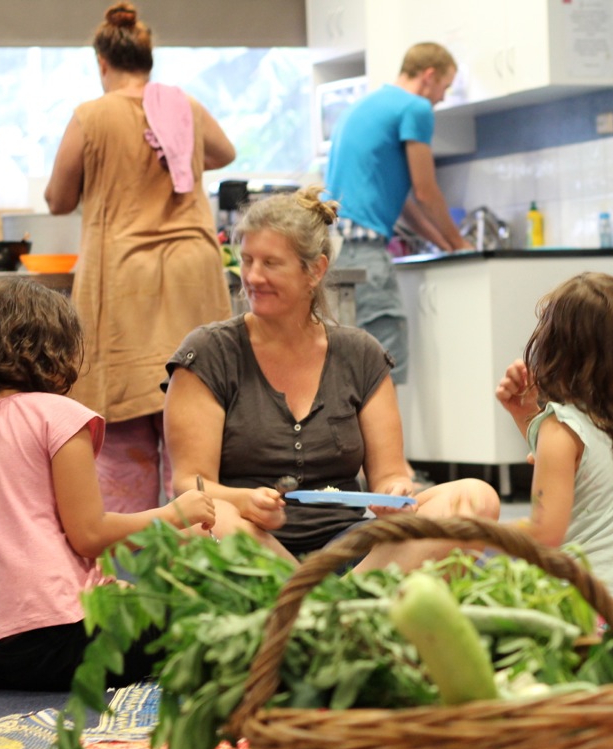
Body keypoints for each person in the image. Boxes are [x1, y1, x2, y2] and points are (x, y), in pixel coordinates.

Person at [163, 185, 498, 562]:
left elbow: (390, 476)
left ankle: (326, 590)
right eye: (247, 260)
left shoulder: (361, 354)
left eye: (271, 263)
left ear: (316, 270)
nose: (253, 277)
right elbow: (188, 484)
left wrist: (395, 493)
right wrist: (243, 501)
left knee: (474, 497)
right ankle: (332, 593)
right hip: (249, 543)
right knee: (205, 520)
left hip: (350, 547)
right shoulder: (209, 352)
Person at [0, 279, 216, 691]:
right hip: (66, 643)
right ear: (56, 351)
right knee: (206, 611)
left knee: (133, 597)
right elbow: (89, 535)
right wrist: (173, 514)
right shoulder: (58, 416)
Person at [45, 1, 237, 514]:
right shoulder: (184, 106)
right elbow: (226, 153)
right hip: (194, 275)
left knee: (123, 439)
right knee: (195, 427)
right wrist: (179, 152)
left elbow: (58, 199)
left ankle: (133, 556)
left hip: (124, 280)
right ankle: (205, 546)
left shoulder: (92, 115)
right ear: (148, 60)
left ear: (102, 62)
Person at [495, 273, 613, 623]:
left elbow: (545, 534)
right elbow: (586, 469)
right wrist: (526, 415)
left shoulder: (561, 429)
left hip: (585, 618)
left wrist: (473, 531)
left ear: (553, 349)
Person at [324, 41, 473, 386]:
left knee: (350, 371)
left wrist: (445, 244)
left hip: (335, 250)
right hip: (364, 252)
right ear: (429, 76)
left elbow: (405, 204)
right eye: (445, 87)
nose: (442, 98)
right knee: (382, 368)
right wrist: (459, 243)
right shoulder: (415, 107)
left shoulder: (364, 106)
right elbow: (426, 191)